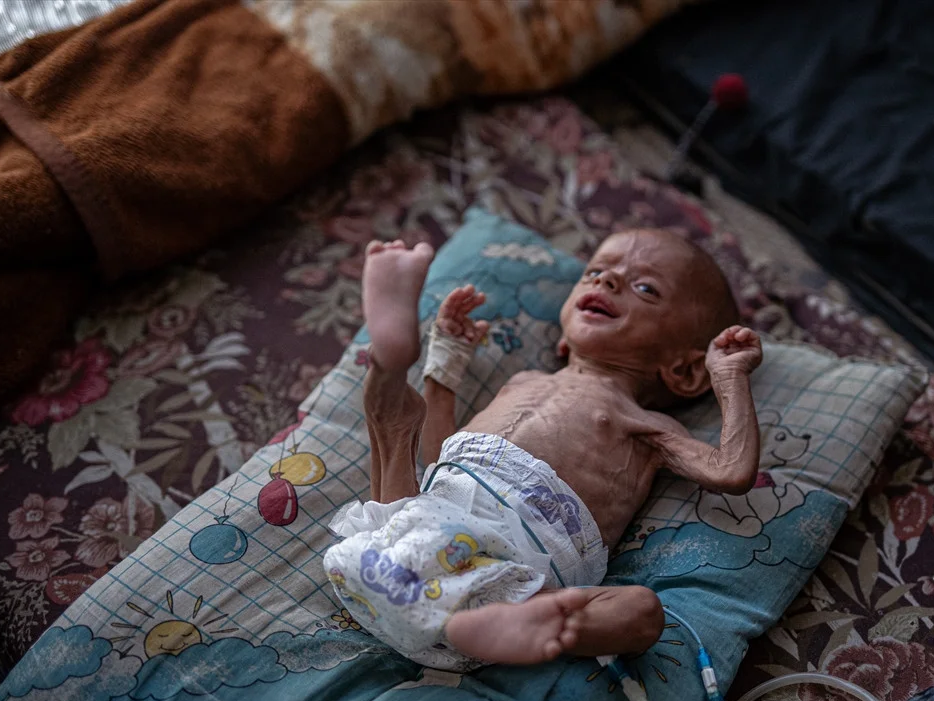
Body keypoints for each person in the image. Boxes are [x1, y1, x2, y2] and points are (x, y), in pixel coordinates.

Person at [324, 229, 763, 672]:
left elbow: (731, 470)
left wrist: (729, 379)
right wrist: (446, 365)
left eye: (645, 288)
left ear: (685, 370)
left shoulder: (648, 425)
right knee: (399, 424)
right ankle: (391, 355)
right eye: (596, 271)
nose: (606, 282)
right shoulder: (524, 381)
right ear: (563, 337)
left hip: (506, 576)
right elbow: (442, 454)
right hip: (395, 546)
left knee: (642, 612)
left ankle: (519, 624)